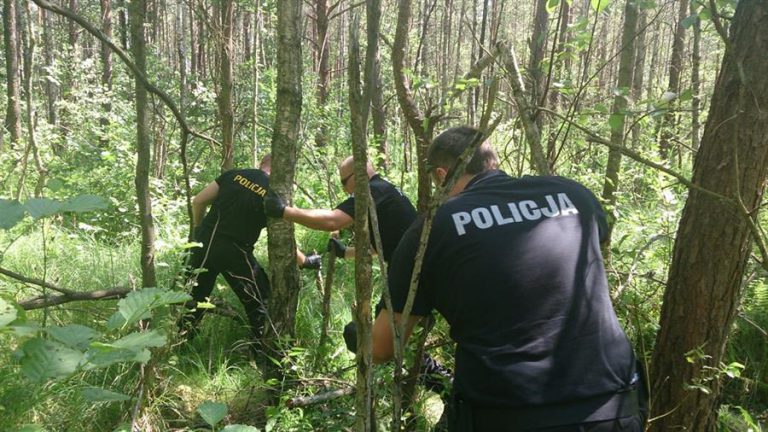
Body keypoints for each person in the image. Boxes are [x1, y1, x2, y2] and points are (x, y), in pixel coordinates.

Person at [372, 126, 646, 431]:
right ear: (492, 161)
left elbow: (384, 347)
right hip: (613, 405)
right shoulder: (575, 195)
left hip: (510, 412)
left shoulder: (434, 227)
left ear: (440, 174)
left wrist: (361, 334)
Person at [265, 156, 453, 397]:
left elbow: (333, 220)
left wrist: (283, 211)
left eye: (344, 182)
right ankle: (442, 390)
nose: (344, 189)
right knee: (405, 346)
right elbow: (384, 242)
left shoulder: (374, 191)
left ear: (357, 176)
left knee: (383, 345)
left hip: (412, 275)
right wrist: (346, 253)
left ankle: (450, 390)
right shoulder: (385, 191)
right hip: (419, 271)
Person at [179, 154, 321, 345]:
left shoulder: (234, 174)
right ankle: (260, 352)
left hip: (203, 243)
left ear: (261, 164)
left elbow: (198, 201)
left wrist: (199, 230)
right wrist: (304, 260)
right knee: (260, 302)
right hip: (234, 251)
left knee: (192, 299)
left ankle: (179, 346)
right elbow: (282, 240)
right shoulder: (274, 194)